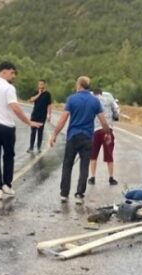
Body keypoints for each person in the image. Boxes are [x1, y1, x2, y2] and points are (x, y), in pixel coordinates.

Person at [0, 61, 42, 200]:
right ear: (4, 71)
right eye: (12, 73)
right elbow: (15, 107)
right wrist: (28, 122)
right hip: (6, 126)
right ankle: (7, 185)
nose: (13, 76)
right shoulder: (9, 88)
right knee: (8, 156)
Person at [50, 76, 111, 204]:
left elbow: (63, 119)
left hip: (73, 136)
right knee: (84, 166)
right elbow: (103, 121)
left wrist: (54, 134)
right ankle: (79, 194)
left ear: (78, 85)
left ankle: (64, 194)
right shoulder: (95, 101)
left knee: (67, 164)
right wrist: (108, 133)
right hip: (87, 137)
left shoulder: (71, 99)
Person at [88, 87, 120, 185]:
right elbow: (116, 110)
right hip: (107, 129)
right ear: (101, 92)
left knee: (93, 155)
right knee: (109, 154)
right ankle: (111, 178)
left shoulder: (90, 98)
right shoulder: (109, 97)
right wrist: (115, 117)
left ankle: (92, 177)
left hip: (95, 130)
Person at [27, 79, 52, 154]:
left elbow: (49, 105)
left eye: (42, 84)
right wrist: (39, 94)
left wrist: (49, 115)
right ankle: (31, 147)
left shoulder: (47, 94)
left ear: (45, 85)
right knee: (33, 132)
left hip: (42, 116)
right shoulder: (36, 92)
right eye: (39, 84)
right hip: (34, 115)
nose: (40, 85)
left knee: (40, 132)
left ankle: (38, 147)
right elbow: (31, 100)